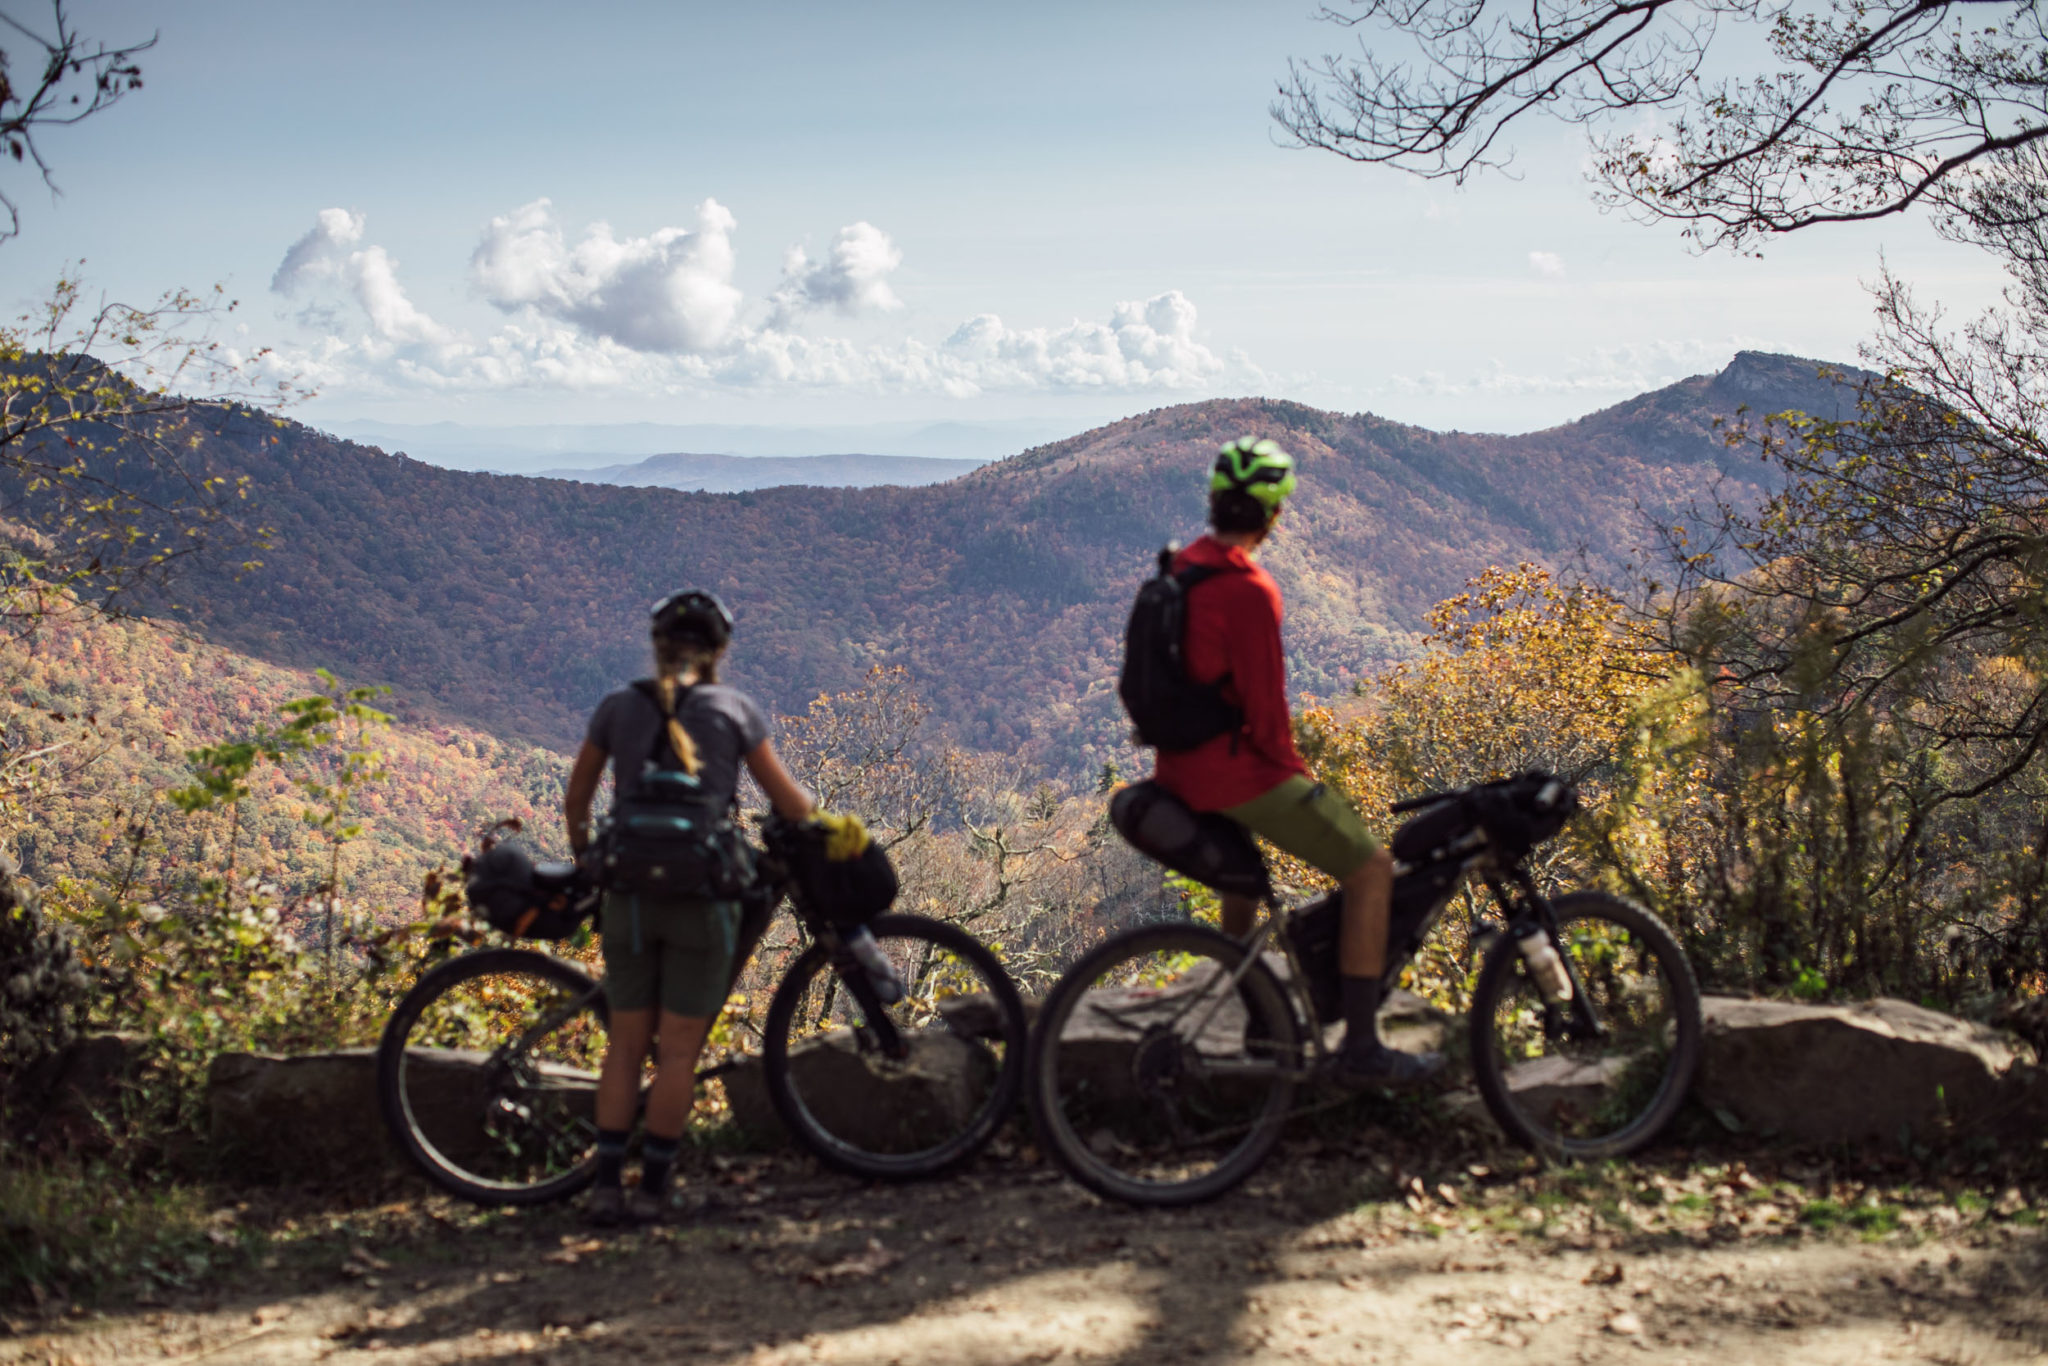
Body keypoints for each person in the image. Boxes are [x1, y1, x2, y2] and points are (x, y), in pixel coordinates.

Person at [1151, 438, 1440, 1088]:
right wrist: (1302, 782)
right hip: (1233, 772)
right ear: (1274, 514)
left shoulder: (1180, 566)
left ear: (1214, 501)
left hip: (1177, 769)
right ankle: (1363, 1049)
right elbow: (1267, 715)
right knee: (1371, 869)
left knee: (1245, 878)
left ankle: (1256, 1015)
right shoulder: (1248, 589)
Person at [563, 589, 815, 1224]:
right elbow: (793, 806)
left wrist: (586, 857)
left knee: (623, 1046)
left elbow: (578, 799)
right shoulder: (734, 711)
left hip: (629, 899)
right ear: (720, 651)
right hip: (702, 898)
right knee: (678, 1052)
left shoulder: (619, 707)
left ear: (656, 646)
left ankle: (604, 1189)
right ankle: (654, 1190)